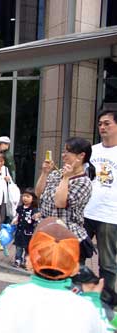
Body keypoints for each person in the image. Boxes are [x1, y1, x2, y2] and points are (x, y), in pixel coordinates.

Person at [0, 217, 111, 333]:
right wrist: (94, 299)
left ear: (29, 262)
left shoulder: (12, 296)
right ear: (76, 268)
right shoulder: (86, 308)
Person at [35, 137, 96, 263]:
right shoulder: (57, 173)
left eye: (68, 152)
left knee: (65, 278)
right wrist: (45, 173)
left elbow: (60, 203)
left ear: (81, 156)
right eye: (63, 152)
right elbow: (38, 193)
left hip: (67, 238)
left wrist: (66, 178)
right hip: (47, 233)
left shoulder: (84, 182)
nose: (63, 155)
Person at [84, 105, 117, 309]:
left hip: (111, 215)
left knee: (107, 263)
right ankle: (77, 294)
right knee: (75, 255)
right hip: (86, 212)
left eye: (107, 123)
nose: (102, 127)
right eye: (100, 124)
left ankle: (106, 303)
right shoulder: (91, 151)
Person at [11, 187, 40, 268]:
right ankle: (17, 260)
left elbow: (36, 218)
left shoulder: (34, 209)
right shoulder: (20, 208)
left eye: (28, 196)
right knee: (19, 247)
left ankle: (26, 261)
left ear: (33, 199)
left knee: (28, 248)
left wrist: (36, 217)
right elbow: (17, 215)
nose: (25, 198)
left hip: (29, 233)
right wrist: (15, 220)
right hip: (19, 231)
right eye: (24, 196)